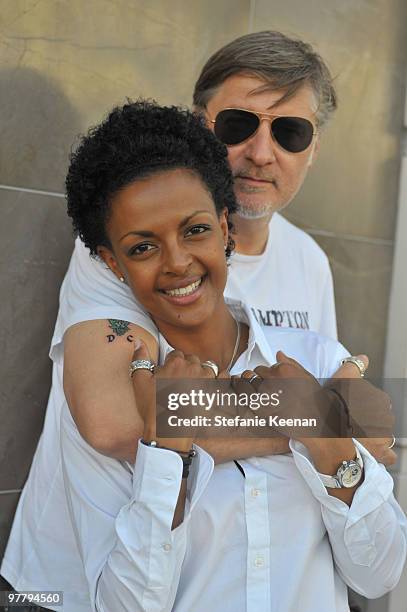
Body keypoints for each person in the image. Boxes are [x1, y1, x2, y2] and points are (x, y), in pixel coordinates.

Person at [1, 101, 405, 612]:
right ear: (112, 264)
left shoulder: (320, 360)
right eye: (143, 247)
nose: (177, 262)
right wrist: (168, 451)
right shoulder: (128, 402)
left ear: (225, 226)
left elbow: (379, 572)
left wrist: (326, 435)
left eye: (195, 230)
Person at [55, 30, 339, 465]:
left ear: (315, 148)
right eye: (238, 125)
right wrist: (319, 430)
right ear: (197, 123)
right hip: (100, 532)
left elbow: (341, 394)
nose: (262, 153)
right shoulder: (121, 249)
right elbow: (114, 423)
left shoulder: (310, 262)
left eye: (291, 132)